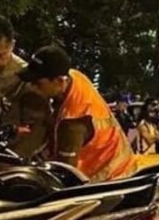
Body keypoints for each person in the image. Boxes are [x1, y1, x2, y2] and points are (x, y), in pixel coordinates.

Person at [19, 45, 135, 180]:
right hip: (121, 163)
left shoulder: (73, 122)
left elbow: (65, 174)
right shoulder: (73, 76)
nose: (32, 87)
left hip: (109, 178)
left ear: (59, 81)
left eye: (38, 83)